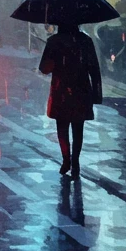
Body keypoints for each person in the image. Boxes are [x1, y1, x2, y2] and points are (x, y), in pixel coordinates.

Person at [38, 22, 103, 179]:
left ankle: (66, 160)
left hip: (60, 89)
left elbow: (44, 68)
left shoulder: (54, 41)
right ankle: (75, 162)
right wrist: (97, 94)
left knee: (62, 127)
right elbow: (94, 68)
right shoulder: (85, 41)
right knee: (78, 128)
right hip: (82, 89)